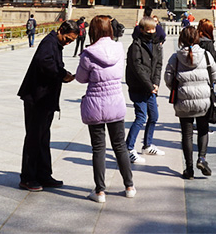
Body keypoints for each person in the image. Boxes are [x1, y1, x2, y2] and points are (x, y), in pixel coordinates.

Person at [75, 15, 135, 202]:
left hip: (95, 103)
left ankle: (100, 191)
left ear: (93, 31)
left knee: (98, 148)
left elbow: (81, 78)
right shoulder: (119, 48)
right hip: (115, 101)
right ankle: (129, 186)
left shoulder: (88, 53)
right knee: (120, 146)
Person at [17, 19, 79, 192]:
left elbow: (54, 66)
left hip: (46, 99)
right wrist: (62, 74)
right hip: (36, 98)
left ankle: (43, 174)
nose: (68, 43)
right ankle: (28, 177)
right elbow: (44, 62)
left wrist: (64, 74)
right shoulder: (49, 42)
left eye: (71, 41)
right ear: (60, 31)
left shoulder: (56, 44)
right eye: (67, 39)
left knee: (43, 138)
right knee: (34, 138)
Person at [165, 26, 216, 178]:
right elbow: (214, 74)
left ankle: (189, 169)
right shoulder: (206, 55)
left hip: (183, 101)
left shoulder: (175, 57)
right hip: (203, 101)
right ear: (197, 38)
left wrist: (178, 89)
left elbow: (168, 78)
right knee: (203, 129)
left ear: (181, 39)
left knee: (186, 134)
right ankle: (202, 158)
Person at [126, 16, 164, 163]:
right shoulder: (135, 46)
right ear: (141, 30)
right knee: (141, 117)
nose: (151, 32)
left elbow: (159, 65)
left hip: (151, 87)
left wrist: (156, 83)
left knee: (154, 116)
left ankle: (147, 145)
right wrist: (149, 85)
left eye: (153, 29)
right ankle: (129, 148)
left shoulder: (156, 44)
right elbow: (137, 68)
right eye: (148, 30)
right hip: (138, 87)